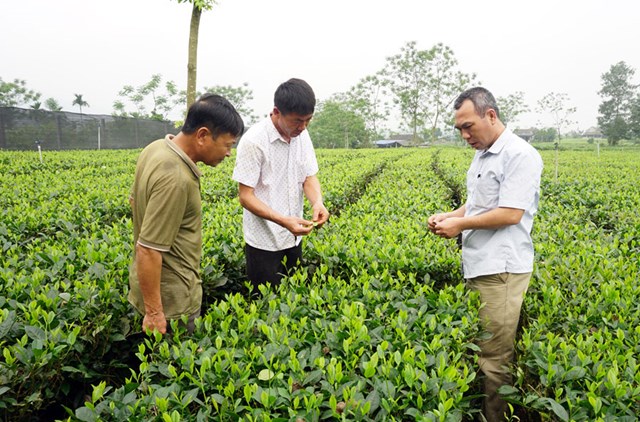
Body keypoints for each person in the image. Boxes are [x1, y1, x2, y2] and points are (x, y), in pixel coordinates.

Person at [428, 87, 543, 421]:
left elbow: (510, 213)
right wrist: (451, 215)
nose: (465, 135)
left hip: (501, 271)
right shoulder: (484, 152)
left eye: (469, 126)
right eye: (459, 129)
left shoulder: (519, 155)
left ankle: (496, 417)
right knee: (481, 352)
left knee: (494, 361)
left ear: (490, 115)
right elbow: (480, 202)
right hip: (479, 265)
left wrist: (461, 224)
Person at [128, 93, 244, 334]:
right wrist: (155, 313)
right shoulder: (176, 178)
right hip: (172, 304)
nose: (228, 153)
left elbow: (133, 201)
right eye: (227, 144)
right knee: (174, 368)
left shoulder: (156, 149)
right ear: (202, 135)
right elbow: (148, 249)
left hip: (151, 291)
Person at [232, 78, 330, 292]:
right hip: (263, 243)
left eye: (308, 120)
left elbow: (308, 176)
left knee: (293, 302)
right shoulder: (254, 141)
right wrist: (283, 220)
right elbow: (245, 196)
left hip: (294, 238)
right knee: (265, 307)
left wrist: (318, 203)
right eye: (297, 121)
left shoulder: (302, 135)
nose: (303, 127)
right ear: (277, 112)